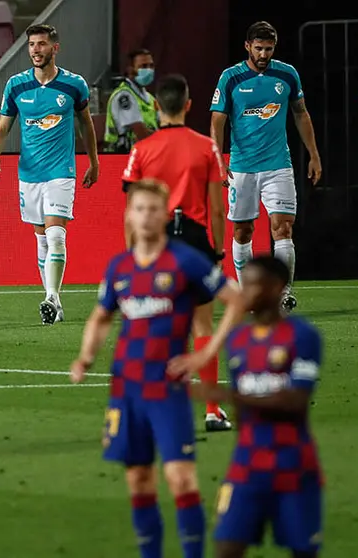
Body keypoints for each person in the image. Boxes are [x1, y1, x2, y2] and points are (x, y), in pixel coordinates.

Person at [71, 179, 246, 558]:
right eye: (139, 209)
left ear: (165, 216)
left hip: (167, 391)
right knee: (138, 480)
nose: (146, 216)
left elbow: (236, 299)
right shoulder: (120, 267)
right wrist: (85, 357)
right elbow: (102, 316)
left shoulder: (185, 262)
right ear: (128, 216)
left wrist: (204, 355)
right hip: (126, 391)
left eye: (153, 209)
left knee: (181, 479)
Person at [189, 256, 324, 558]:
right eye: (243, 284)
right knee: (225, 547)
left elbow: (295, 401)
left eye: (253, 285)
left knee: (302, 551)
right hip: (247, 465)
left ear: (277, 288)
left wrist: (225, 396)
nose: (244, 292)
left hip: (293, 464)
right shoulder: (238, 340)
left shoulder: (302, 336)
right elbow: (243, 413)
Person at [121, 74, 232, 432]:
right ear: (187, 105)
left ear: (155, 106)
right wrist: (217, 249)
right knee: (203, 324)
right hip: (196, 241)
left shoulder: (142, 149)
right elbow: (217, 208)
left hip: (156, 243)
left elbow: (133, 210)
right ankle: (213, 410)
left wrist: (132, 256)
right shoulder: (206, 148)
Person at [0, 23, 100, 325]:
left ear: (55, 48)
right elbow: (3, 126)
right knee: (41, 239)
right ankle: (55, 301)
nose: (36, 50)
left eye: (41, 44)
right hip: (29, 174)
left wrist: (94, 160)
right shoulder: (16, 85)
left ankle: (50, 297)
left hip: (61, 172)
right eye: (31, 45)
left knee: (55, 234)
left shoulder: (74, 85)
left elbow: (85, 124)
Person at [211, 21, 322, 312]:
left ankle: (282, 293)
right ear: (247, 46)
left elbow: (301, 113)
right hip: (242, 167)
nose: (263, 54)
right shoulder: (231, 77)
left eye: (268, 48)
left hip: (278, 165)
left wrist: (313, 153)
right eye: (258, 48)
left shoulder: (287, 74)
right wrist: (219, 159)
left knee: (282, 227)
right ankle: (247, 294)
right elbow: (217, 121)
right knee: (242, 232)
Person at [104, 48, 159, 153]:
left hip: (146, 152)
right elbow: (140, 132)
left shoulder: (150, 98)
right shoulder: (124, 96)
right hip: (122, 155)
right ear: (130, 70)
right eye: (143, 66)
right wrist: (165, 141)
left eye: (151, 66)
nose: (149, 70)